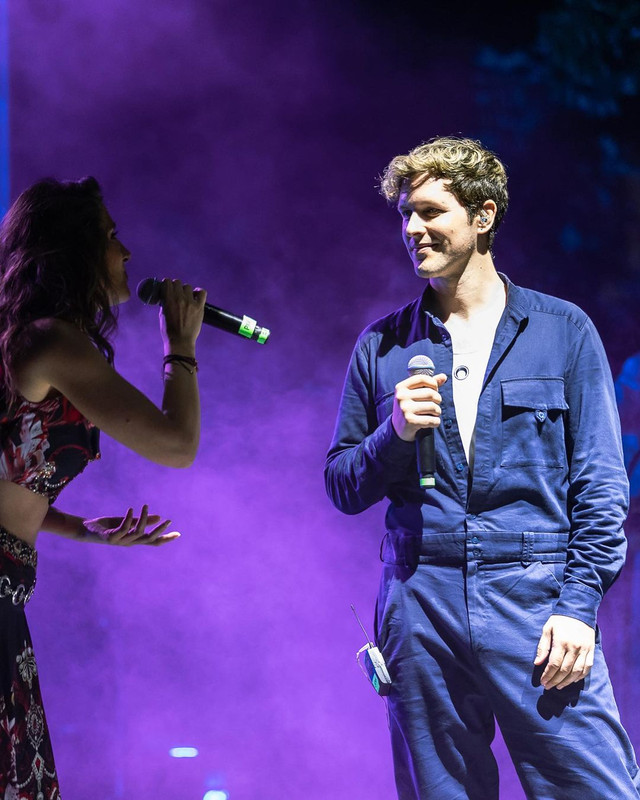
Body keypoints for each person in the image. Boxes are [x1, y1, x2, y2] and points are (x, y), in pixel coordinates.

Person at [324, 137, 640, 799]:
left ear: (483, 215)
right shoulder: (381, 346)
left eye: (431, 212)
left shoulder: (562, 331)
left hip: (535, 596)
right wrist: (394, 433)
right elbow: (343, 485)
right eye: (406, 215)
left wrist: (578, 606)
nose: (413, 229)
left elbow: (602, 486)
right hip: (419, 596)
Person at [0, 176, 206, 799]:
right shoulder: (48, 340)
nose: (127, 252)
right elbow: (177, 445)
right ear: (74, 249)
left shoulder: (35, 338)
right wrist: (181, 348)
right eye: (111, 236)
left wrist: (82, 528)